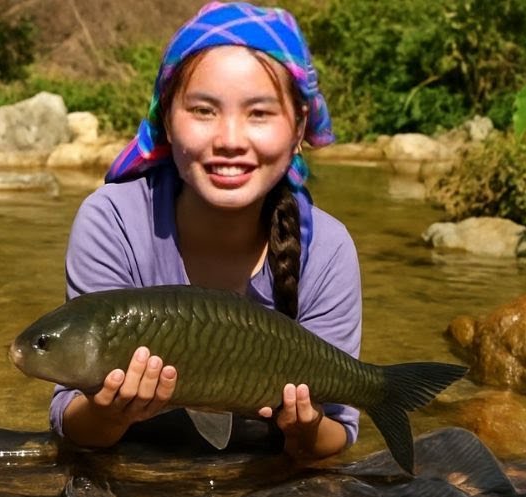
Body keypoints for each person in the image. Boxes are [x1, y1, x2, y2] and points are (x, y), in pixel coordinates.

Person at [50, 1, 361, 464]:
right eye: (202, 110)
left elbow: (340, 433)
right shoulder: (111, 221)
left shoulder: (328, 249)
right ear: (166, 120)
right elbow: (71, 419)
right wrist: (110, 414)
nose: (230, 140)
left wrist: (305, 430)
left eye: (259, 113)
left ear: (299, 127)